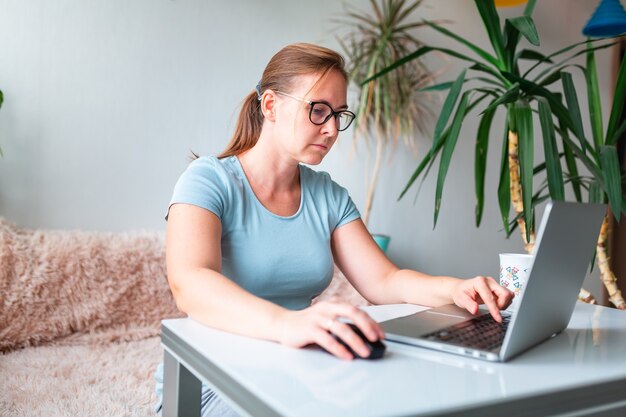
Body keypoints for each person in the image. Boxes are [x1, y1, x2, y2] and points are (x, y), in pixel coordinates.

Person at [155, 43, 513, 416]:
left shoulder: (327, 194)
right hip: (214, 377)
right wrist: (287, 325)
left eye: (338, 114)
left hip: (297, 369)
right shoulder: (208, 180)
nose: (330, 129)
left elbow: (385, 281)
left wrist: (456, 288)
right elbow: (190, 283)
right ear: (270, 106)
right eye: (318, 110)